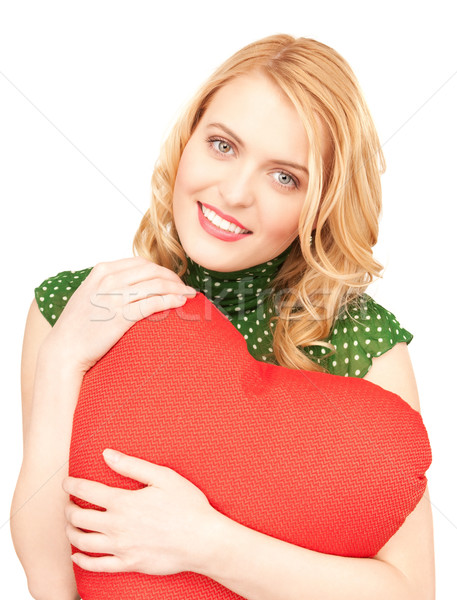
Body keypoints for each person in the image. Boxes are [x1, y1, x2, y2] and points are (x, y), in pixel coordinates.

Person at [11, 34, 435, 599]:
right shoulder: (79, 305)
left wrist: (206, 544)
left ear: (321, 203)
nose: (235, 192)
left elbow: (408, 592)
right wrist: (63, 357)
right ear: (187, 140)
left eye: (285, 176)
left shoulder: (360, 341)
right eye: (222, 145)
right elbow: (51, 582)